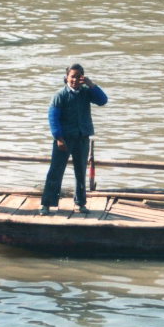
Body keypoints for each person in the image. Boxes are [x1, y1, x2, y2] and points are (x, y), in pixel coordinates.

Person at [40, 64, 108, 215]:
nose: (75, 80)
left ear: (83, 78)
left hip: (82, 138)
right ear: (66, 78)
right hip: (64, 140)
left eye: (79, 77)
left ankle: (80, 203)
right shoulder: (60, 95)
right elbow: (53, 118)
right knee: (55, 172)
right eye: (72, 76)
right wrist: (58, 138)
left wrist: (91, 84)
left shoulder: (86, 92)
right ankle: (46, 204)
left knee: (80, 171)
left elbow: (103, 100)